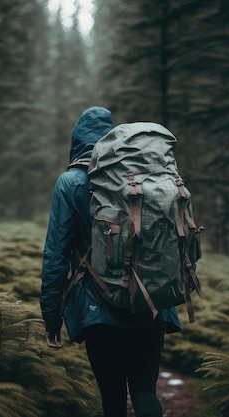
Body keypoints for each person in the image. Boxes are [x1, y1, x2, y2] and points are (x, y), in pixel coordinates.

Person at [40, 106, 182, 417]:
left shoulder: (71, 182)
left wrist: (52, 316)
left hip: (99, 307)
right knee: (145, 389)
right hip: (152, 302)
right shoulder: (143, 176)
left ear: (76, 143)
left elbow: (56, 255)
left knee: (114, 398)